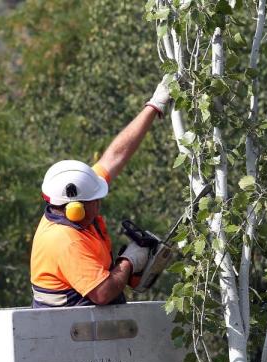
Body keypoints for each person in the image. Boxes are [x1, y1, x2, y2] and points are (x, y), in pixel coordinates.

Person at [29, 76, 172, 308]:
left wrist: (155, 105)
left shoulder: (76, 201)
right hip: (68, 335)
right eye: (96, 200)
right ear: (75, 209)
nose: (100, 202)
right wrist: (129, 261)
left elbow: (116, 155)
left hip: (87, 329)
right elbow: (103, 293)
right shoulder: (65, 240)